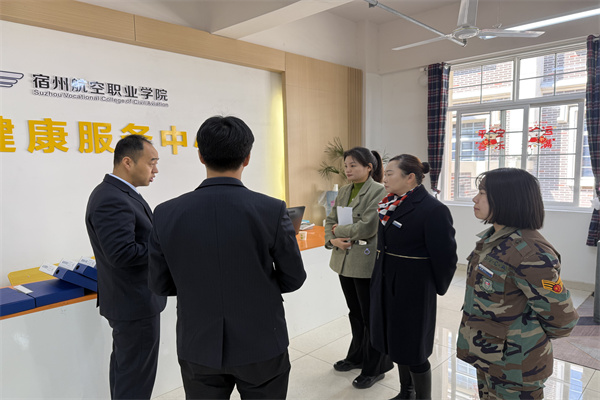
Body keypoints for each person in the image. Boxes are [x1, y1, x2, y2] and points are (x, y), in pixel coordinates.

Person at [147, 115, 306, 400]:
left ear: (200, 156)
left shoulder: (165, 213)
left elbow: (159, 284)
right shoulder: (271, 210)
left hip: (198, 343)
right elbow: (294, 277)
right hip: (262, 340)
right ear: (247, 158)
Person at [457, 168, 579, 399]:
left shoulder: (531, 253)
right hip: (489, 356)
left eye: (482, 193)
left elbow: (562, 320)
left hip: (516, 367)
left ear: (507, 198)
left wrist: (525, 335)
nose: (474, 199)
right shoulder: (494, 239)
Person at [85, 134, 166, 400]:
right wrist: (166, 245)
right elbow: (122, 254)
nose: (155, 169)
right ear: (128, 162)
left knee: (127, 373)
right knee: (135, 380)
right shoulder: (112, 198)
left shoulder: (120, 193)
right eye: (151, 162)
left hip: (132, 302)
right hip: (134, 303)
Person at [370, 154, 457, 400]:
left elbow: (446, 257)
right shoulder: (389, 203)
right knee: (395, 341)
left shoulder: (433, 209)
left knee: (414, 347)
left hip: (413, 288)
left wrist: (433, 288)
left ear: (410, 177)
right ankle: (405, 392)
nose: (384, 178)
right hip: (386, 282)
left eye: (390, 173)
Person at [324, 147, 393, 389]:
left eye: (353, 165)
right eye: (346, 165)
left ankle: (375, 368)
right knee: (354, 313)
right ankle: (356, 356)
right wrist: (332, 239)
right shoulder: (344, 191)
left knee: (370, 316)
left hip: (364, 263)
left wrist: (338, 231)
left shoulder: (379, 191)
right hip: (343, 261)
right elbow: (330, 220)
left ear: (369, 167)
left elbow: (367, 227)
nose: (348, 170)